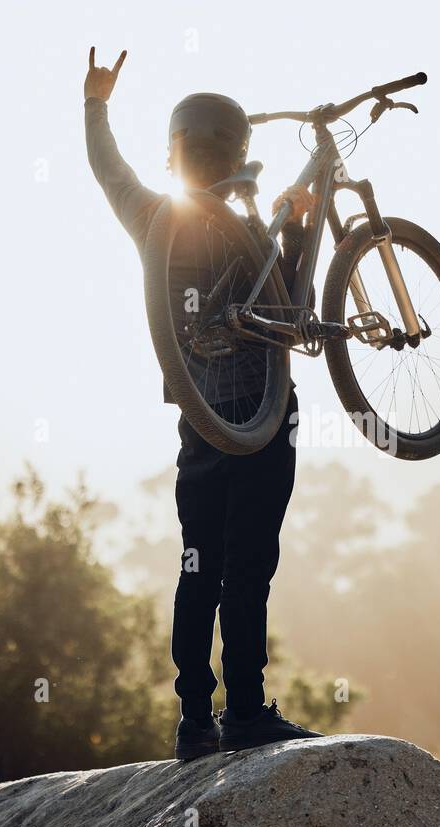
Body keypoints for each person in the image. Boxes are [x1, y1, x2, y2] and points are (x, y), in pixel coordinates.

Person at [83, 47, 323, 760]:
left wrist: (95, 104)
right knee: (249, 567)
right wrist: (303, 229)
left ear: (175, 153)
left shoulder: (154, 218)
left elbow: (109, 171)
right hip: (265, 421)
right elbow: (296, 312)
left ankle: (194, 719)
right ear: (236, 154)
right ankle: (245, 711)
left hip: (199, 429)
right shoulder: (254, 231)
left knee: (198, 564)